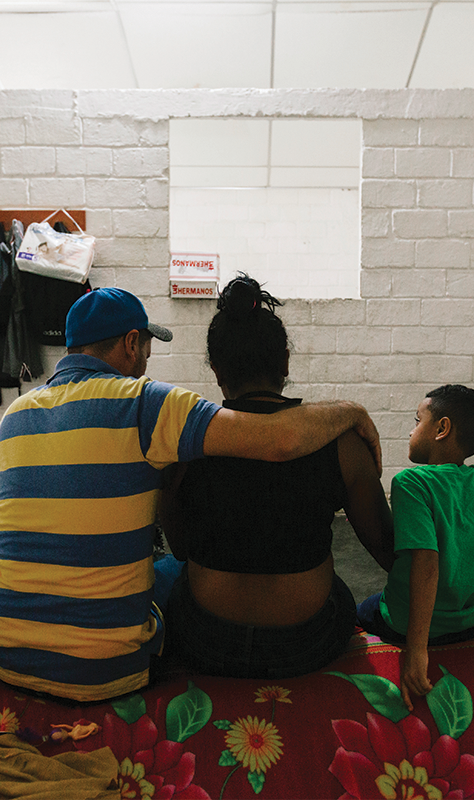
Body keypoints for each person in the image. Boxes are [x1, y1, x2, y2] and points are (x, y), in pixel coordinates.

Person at [0, 286, 381, 704]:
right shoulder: (146, 404)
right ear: (131, 343)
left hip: (3, 652)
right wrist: (353, 411)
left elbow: (181, 544)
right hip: (106, 669)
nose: (146, 361)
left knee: (172, 569)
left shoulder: (14, 416)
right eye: (147, 347)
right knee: (176, 571)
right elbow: (277, 438)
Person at [159, 275, 394, 679]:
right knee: (341, 591)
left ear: (217, 370)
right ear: (284, 361)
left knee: (168, 577)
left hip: (207, 641)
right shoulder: (341, 443)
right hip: (305, 645)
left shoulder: (186, 445)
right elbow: (389, 551)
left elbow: (181, 549)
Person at [356, 384, 474, 711]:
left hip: (410, 624)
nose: (410, 430)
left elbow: (426, 564)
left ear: (442, 428)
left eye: (417, 420)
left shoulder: (412, 483)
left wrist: (416, 650)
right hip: (472, 622)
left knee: (360, 609)